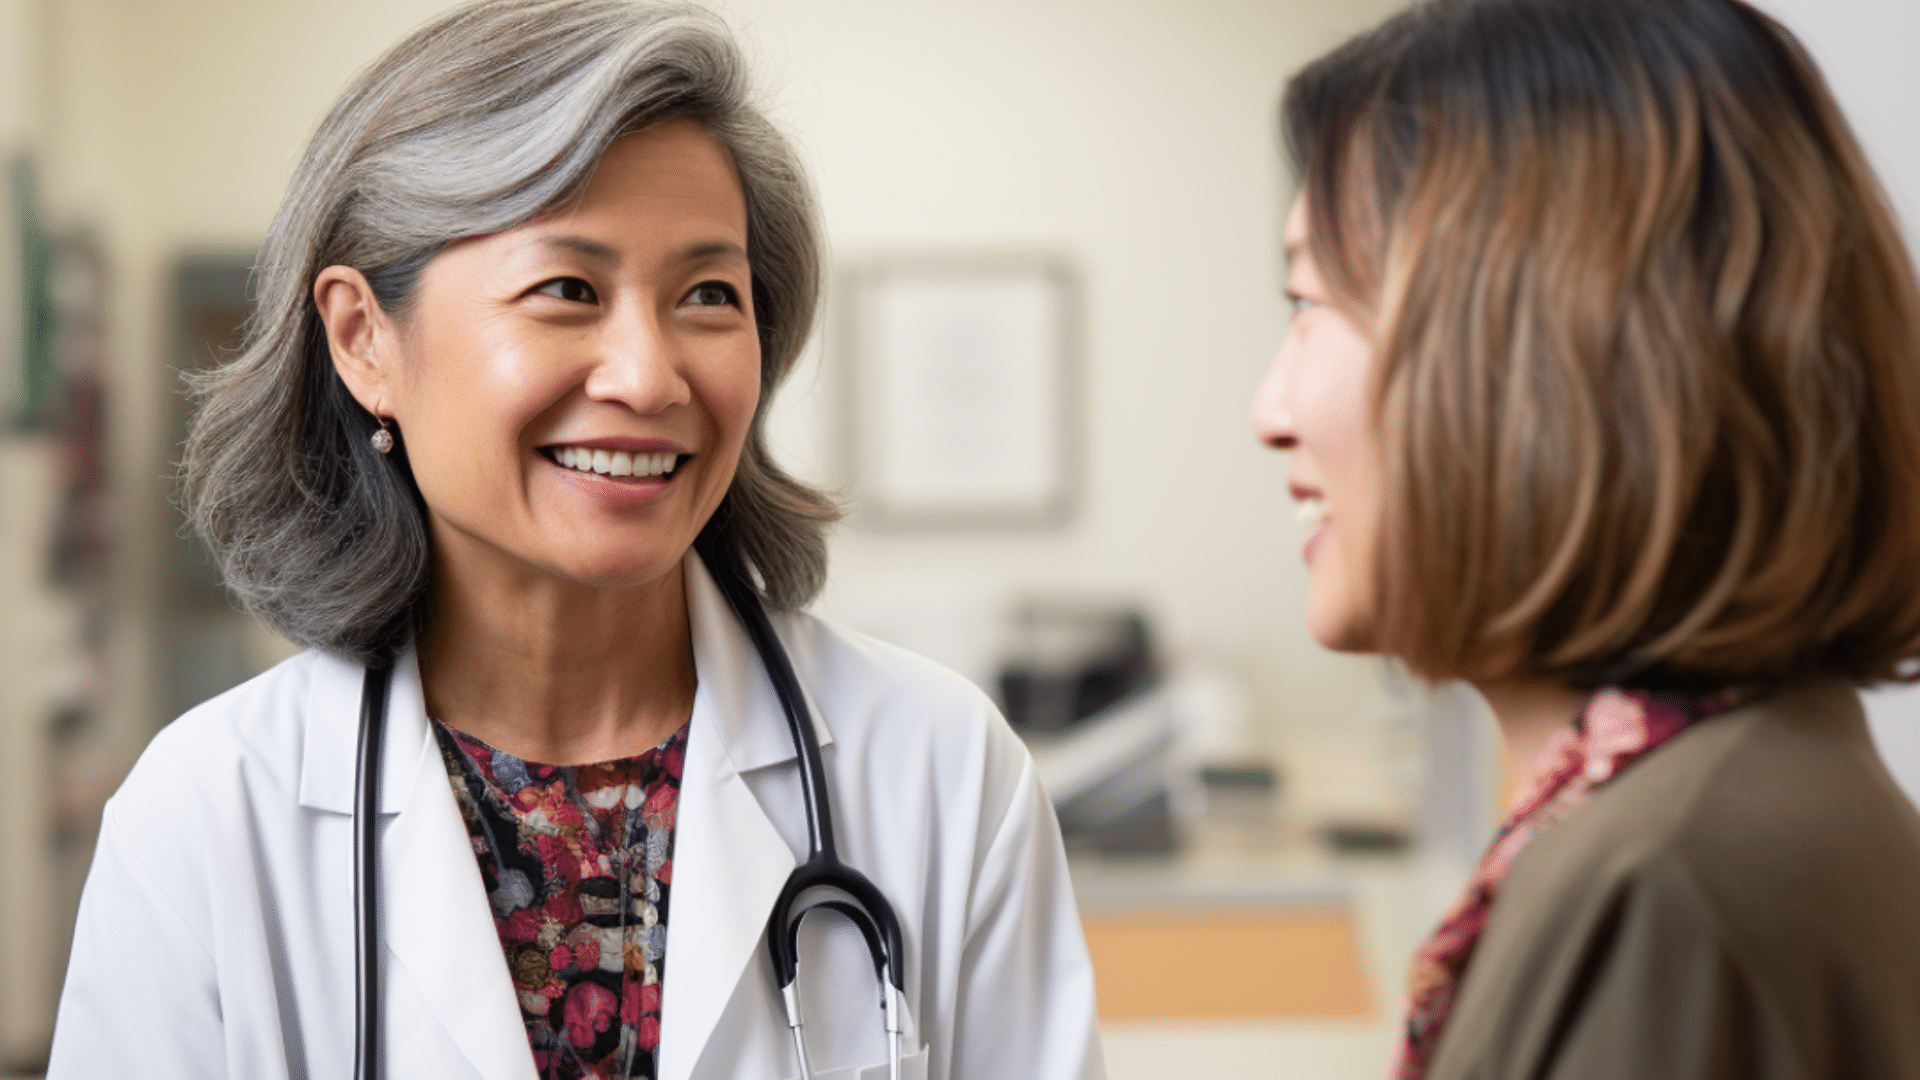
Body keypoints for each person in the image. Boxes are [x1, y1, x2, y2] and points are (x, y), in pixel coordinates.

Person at [46, 3, 1104, 1078]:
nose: (648, 377)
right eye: (567, 290)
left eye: (708, 294)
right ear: (366, 341)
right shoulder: (205, 819)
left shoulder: (939, 772)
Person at [1253, 0, 1920, 1076]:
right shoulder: (1730, 811)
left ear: (1528, 353)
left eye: (1310, 304)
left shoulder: (1662, 883)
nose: (1270, 410)